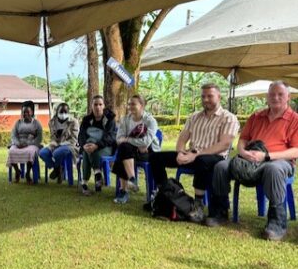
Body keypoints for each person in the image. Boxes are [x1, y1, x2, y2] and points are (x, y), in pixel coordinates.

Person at [206, 81, 298, 240]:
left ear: (288, 97)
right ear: (267, 97)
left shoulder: (295, 119)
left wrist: (267, 156)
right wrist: (243, 151)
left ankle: (277, 223)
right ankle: (220, 211)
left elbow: (295, 150)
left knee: (273, 169)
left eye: (280, 94)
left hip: (279, 161)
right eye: (271, 94)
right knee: (221, 166)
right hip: (249, 159)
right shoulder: (256, 116)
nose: (275, 97)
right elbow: (243, 140)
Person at [149, 83, 239, 220]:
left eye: (210, 96)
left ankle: (198, 204)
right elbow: (182, 138)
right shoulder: (195, 117)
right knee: (156, 157)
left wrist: (195, 155)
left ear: (219, 97)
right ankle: (165, 194)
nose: (206, 99)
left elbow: (224, 144)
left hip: (214, 157)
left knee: (202, 161)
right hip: (191, 154)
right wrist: (180, 152)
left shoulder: (228, 117)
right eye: (203, 96)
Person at [112, 95, 160, 204]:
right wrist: (133, 143)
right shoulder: (125, 120)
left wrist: (127, 139)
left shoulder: (150, 121)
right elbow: (119, 139)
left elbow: (146, 142)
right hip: (132, 150)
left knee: (123, 150)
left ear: (142, 106)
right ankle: (132, 179)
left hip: (149, 152)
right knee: (124, 148)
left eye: (133, 104)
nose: (130, 106)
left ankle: (124, 191)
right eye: (129, 104)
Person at [78, 95, 116, 195]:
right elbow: (81, 136)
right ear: (92, 106)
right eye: (95, 104)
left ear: (104, 106)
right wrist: (83, 146)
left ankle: (84, 183)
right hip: (90, 147)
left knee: (91, 150)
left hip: (106, 147)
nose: (98, 107)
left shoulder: (109, 120)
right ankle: (97, 174)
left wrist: (97, 145)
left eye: (100, 104)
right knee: (88, 150)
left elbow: (111, 137)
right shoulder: (86, 120)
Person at [38, 102, 79, 183]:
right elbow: (53, 137)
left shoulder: (73, 122)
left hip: (69, 145)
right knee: (43, 153)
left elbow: (74, 139)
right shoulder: (52, 122)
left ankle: (58, 169)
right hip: (55, 144)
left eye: (65, 112)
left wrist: (61, 144)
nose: (63, 114)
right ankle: (58, 169)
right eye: (61, 112)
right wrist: (54, 142)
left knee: (57, 153)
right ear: (57, 112)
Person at [6, 103, 43, 184]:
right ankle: (17, 171)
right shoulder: (18, 122)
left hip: (32, 144)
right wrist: (17, 143)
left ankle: (28, 174)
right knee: (11, 151)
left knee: (30, 152)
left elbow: (39, 138)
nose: (25, 114)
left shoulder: (36, 123)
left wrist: (28, 143)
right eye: (23, 112)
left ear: (32, 113)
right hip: (19, 144)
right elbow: (13, 135)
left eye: (27, 112)